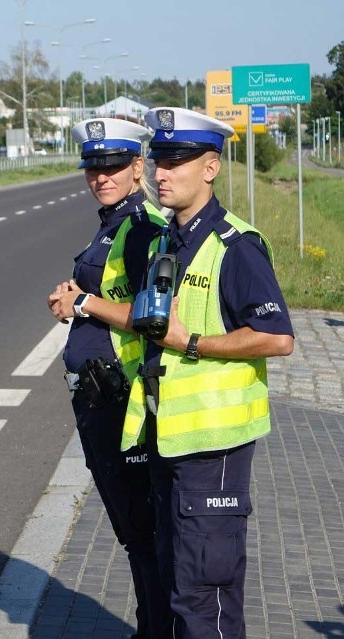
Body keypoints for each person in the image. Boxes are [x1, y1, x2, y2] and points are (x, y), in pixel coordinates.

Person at [120, 107, 295, 638]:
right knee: (176, 587)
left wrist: (190, 342)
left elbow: (277, 337)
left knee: (204, 600)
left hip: (214, 449)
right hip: (170, 442)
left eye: (177, 160)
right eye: (159, 160)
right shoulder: (162, 242)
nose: (161, 172)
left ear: (211, 167)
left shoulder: (235, 246)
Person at [47, 117, 172, 639]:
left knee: (141, 531)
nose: (102, 176)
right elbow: (109, 292)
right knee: (134, 532)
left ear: (137, 167)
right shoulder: (113, 222)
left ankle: (155, 631)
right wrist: (76, 297)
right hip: (101, 394)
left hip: (122, 397)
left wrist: (84, 303)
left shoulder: (141, 226)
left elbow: (152, 314)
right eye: (94, 168)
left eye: (114, 166)